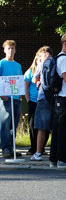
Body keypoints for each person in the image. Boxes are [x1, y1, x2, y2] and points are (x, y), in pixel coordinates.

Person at [0, 40, 23, 158]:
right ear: (4, 50)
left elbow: (19, 80)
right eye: (8, 48)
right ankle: (5, 149)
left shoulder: (18, 65)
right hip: (5, 98)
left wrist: (20, 97)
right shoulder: (1, 64)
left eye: (12, 48)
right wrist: (0, 94)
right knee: (5, 124)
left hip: (15, 98)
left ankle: (11, 149)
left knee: (13, 125)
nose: (11, 50)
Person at [30, 46, 55, 161]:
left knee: (41, 128)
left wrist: (38, 81)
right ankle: (56, 153)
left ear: (44, 54)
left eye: (40, 56)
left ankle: (38, 153)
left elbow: (34, 79)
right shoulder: (56, 62)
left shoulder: (41, 65)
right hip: (55, 98)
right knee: (56, 127)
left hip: (43, 97)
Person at [23, 50, 48, 157]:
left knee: (44, 126)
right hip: (33, 101)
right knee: (33, 125)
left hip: (43, 101)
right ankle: (33, 147)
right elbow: (25, 87)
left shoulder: (46, 70)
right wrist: (28, 100)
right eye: (39, 60)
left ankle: (41, 148)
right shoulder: (30, 72)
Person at [50, 34, 66, 168]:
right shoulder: (64, 60)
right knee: (62, 130)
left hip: (59, 98)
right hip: (64, 97)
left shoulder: (57, 58)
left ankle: (54, 159)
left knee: (57, 129)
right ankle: (62, 159)